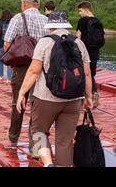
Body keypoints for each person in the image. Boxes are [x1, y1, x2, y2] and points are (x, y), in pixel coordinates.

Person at [16, 11, 93, 167]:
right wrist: (89, 97)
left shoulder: (45, 42)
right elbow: (86, 74)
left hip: (45, 98)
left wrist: (21, 93)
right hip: (73, 100)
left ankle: (47, 163)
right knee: (65, 141)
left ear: (50, 26)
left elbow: (33, 71)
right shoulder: (79, 43)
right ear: (66, 25)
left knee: (38, 133)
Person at [4, 0, 49, 150]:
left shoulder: (18, 18)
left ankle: (13, 139)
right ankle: (36, 146)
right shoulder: (46, 20)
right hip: (42, 67)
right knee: (39, 106)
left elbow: (7, 43)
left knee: (18, 102)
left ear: (24, 3)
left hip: (23, 67)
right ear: (37, 4)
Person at [76, 1, 105, 108]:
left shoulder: (83, 21)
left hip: (84, 52)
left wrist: (75, 51)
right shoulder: (98, 22)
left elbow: (78, 37)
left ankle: (84, 97)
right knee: (91, 74)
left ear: (86, 10)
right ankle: (94, 93)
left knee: (82, 74)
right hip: (95, 52)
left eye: (80, 11)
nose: (79, 13)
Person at [0, 9, 14, 81]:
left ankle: (1, 76)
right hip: (10, 45)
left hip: (1, 44)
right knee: (9, 63)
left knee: (0, 61)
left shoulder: (0, 22)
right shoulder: (12, 23)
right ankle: (9, 79)